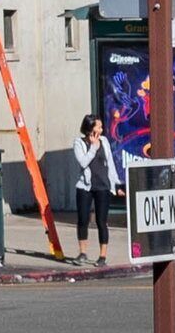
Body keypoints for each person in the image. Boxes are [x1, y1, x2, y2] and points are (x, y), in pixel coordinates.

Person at [66, 112, 128, 264]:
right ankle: (82, 253)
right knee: (83, 219)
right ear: (90, 128)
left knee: (101, 221)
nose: (101, 130)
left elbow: (110, 164)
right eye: (99, 126)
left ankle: (102, 256)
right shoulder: (79, 143)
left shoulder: (105, 141)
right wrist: (93, 147)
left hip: (103, 186)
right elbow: (83, 162)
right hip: (85, 187)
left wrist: (116, 184)